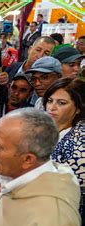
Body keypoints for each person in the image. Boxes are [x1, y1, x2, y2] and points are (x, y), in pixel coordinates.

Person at [46, 78, 84, 213]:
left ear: (78, 108)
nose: (52, 107)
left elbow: (75, 192)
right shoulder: (48, 129)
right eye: (50, 101)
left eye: (61, 103)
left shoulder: (79, 142)